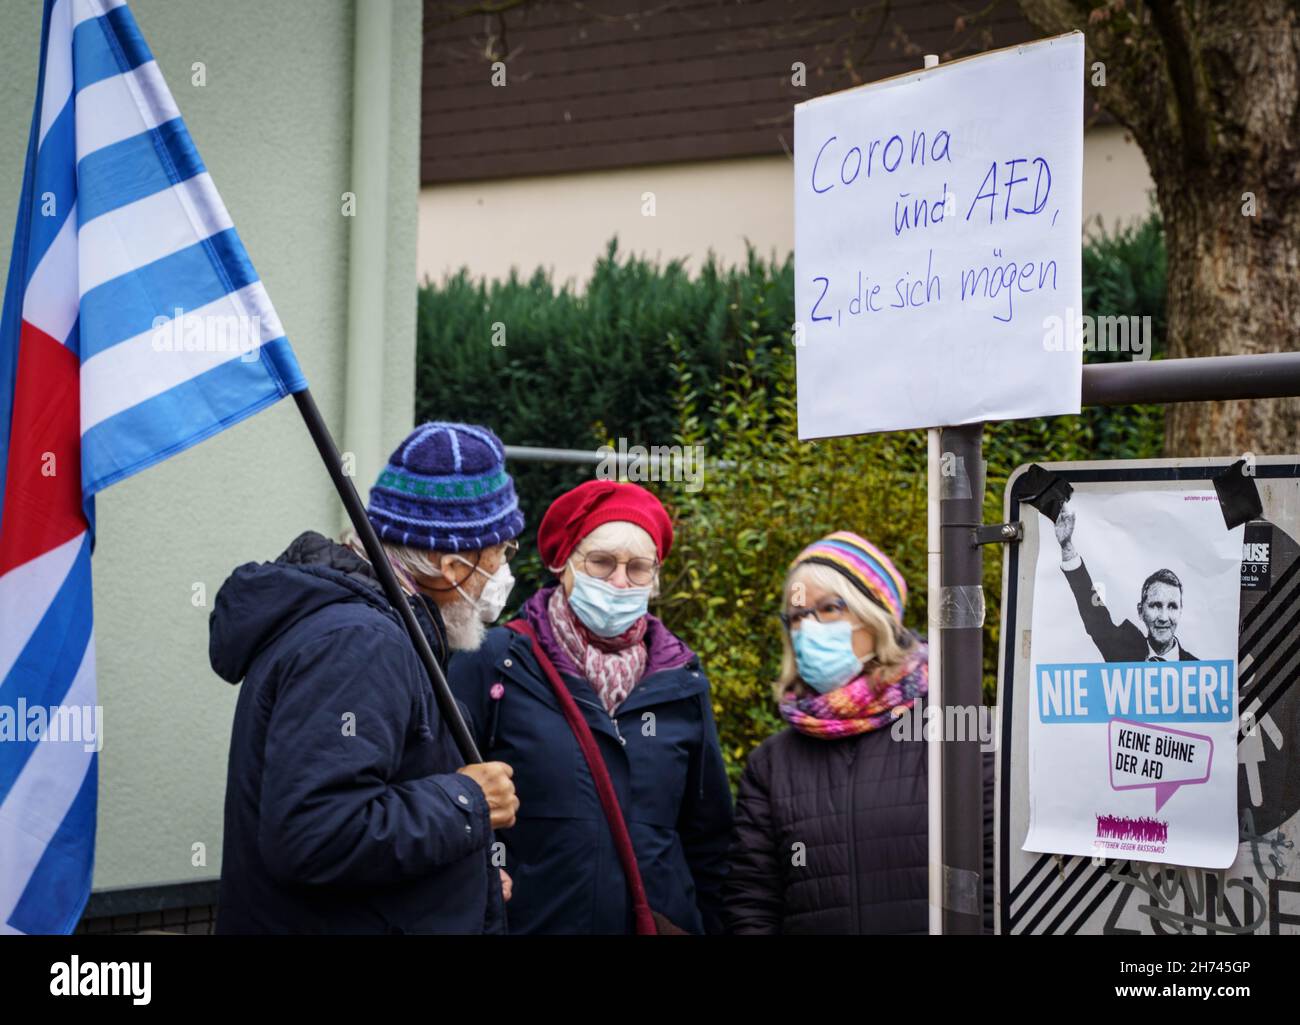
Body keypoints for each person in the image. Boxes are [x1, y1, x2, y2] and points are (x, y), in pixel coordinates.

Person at [209, 422, 523, 933]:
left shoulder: (374, 626)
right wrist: (467, 801)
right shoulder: (359, 642)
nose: (506, 569)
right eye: (501, 551)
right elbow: (316, 833)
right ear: (450, 566)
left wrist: (467, 880)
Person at [449, 479, 733, 933]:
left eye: (638, 568)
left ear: (655, 579)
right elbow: (441, 796)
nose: (620, 582)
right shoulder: (494, 661)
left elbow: (711, 840)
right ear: (563, 564)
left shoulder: (682, 680)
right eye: (601, 563)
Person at [724, 531, 993, 934]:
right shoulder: (772, 764)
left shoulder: (955, 731)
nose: (808, 628)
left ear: (876, 615)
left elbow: (996, 877)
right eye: (796, 616)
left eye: (829, 608)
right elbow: (752, 902)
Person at [1054, 499, 1197, 661]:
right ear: (1140, 611)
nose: (1164, 617)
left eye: (1172, 606)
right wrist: (1066, 547)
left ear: (1180, 611)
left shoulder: (1199, 670)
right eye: (1155, 605)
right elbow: (1096, 618)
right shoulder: (1122, 650)